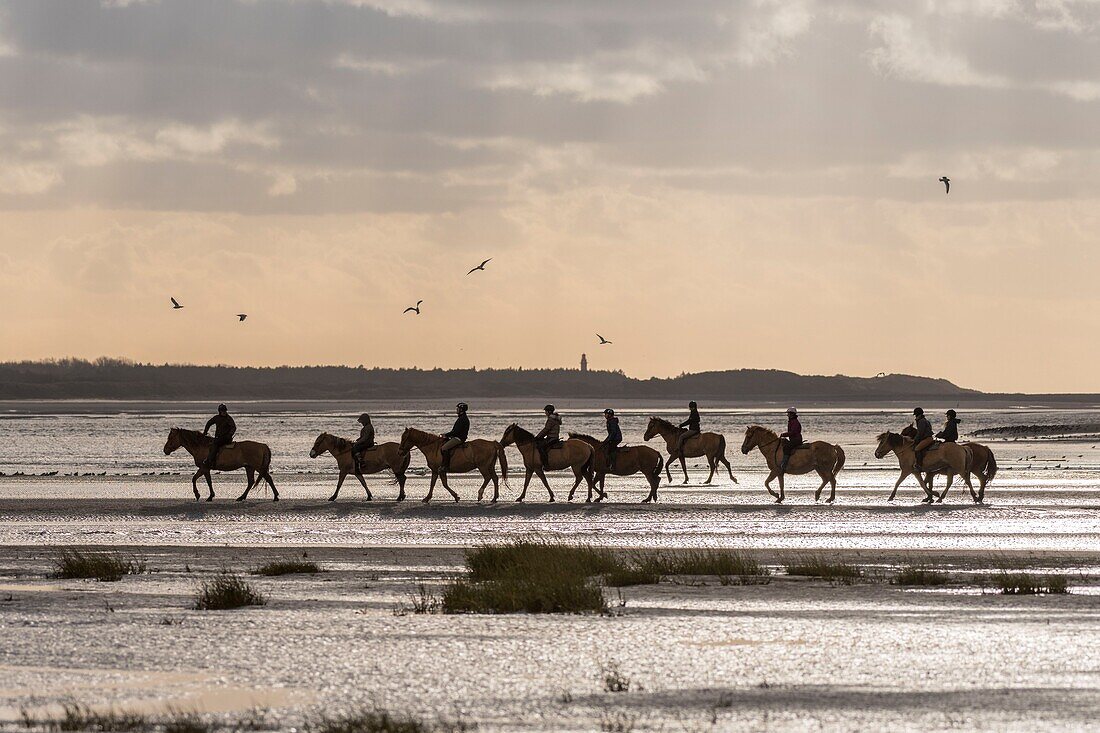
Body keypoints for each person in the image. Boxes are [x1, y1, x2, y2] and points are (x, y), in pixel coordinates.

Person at [202, 404, 236, 471]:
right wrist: (205, 432)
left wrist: (230, 434)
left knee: (215, 444)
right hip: (219, 437)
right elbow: (209, 423)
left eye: (225, 411)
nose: (224, 412)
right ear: (219, 411)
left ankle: (209, 461)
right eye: (222, 411)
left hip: (226, 438)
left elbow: (233, 427)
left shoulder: (229, 419)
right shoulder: (216, 418)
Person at [440, 402, 470, 473]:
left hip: (458, 438)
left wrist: (446, 435)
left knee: (444, 448)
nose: (457, 410)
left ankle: (445, 466)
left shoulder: (462, 419)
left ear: (461, 410)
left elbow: (456, 431)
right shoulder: (462, 418)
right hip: (457, 437)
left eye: (458, 409)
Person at [778, 407, 803, 475]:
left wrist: (784, 434)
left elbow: (793, 432)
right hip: (794, 439)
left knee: (786, 447)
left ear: (792, 414)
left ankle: (784, 464)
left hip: (796, 440)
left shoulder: (794, 422)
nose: (787, 415)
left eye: (788, 413)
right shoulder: (792, 421)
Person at [911, 407, 934, 471]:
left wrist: (915, 440)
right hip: (928, 438)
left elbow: (920, 433)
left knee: (917, 449)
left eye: (916, 415)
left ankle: (919, 465)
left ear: (918, 415)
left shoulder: (921, 421)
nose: (915, 417)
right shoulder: (925, 420)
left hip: (927, 439)